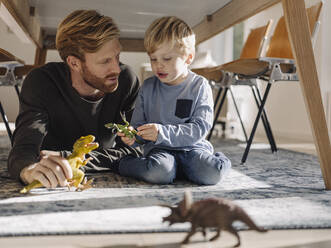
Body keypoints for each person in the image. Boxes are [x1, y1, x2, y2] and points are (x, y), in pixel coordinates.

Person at [7, 10, 142, 188]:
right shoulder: (41, 81)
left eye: (117, 57)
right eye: (105, 61)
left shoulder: (127, 80)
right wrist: (28, 170)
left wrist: (68, 157)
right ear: (74, 63)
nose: (116, 68)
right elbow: (24, 146)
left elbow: (137, 149)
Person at [117, 16, 231, 185]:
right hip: (160, 150)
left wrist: (161, 132)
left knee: (211, 173)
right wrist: (133, 138)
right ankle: (122, 163)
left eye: (167, 59)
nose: (158, 65)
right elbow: (139, 128)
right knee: (159, 173)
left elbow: (200, 128)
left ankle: (212, 161)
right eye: (153, 59)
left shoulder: (199, 85)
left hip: (193, 148)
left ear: (188, 58)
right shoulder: (147, 87)